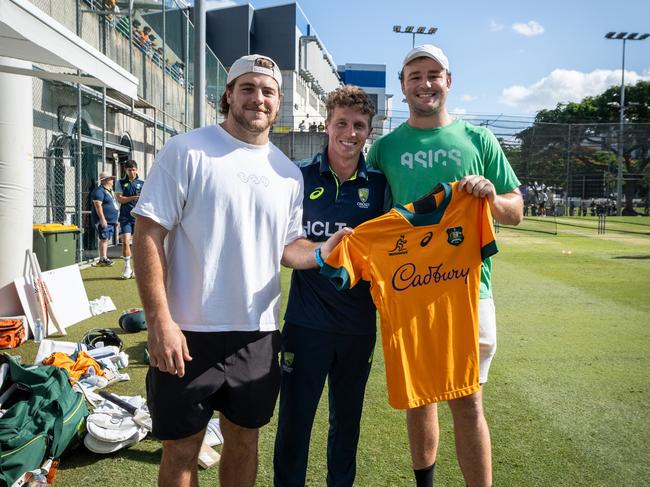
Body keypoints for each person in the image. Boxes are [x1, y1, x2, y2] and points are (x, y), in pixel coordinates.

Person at [132, 54, 348, 487]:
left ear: (279, 101)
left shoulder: (287, 174)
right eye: (247, 88)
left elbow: (288, 247)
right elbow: (147, 235)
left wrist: (324, 251)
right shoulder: (187, 150)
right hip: (187, 333)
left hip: (258, 334)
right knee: (182, 448)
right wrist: (159, 322)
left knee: (244, 441)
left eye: (268, 91)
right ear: (228, 94)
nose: (258, 98)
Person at [366, 44, 523, 487]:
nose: (424, 83)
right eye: (414, 76)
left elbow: (517, 209)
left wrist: (492, 196)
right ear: (402, 86)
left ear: (448, 82)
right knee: (420, 399)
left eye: (433, 74)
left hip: (471, 292)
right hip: (409, 290)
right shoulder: (385, 149)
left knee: (468, 401)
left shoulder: (479, 140)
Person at [274, 86, 389, 487]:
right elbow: (285, 246)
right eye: (342, 123)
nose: (350, 133)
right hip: (306, 325)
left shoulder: (379, 184)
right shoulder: (298, 175)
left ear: (368, 131)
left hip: (358, 327)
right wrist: (323, 250)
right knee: (294, 424)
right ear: (327, 125)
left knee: (347, 426)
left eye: (359, 125)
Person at [115, 160, 144, 279]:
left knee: (138, 244)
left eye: (133, 169)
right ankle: (127, 268)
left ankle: (136, 268)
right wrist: (134, 198)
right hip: (125, 217)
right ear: (125, 170)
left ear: (136, 170)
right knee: (126, 242)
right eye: (129, 170)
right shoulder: (120, 182)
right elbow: (120, 199)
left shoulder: (143, 183)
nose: (131, 172)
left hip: (138, 217)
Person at [90, 171, 119, 267]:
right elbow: (98, 206)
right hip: (103, 220)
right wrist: (102, 219)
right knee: (104, 238)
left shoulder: (110, 190)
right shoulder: (99, 191)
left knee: (106, 238)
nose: (112, 180)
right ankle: (102, 259)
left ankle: (104, 258)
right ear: (105, 180)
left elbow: (114, 205)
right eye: (110, 179)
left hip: (111, 220)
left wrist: (116, 219)